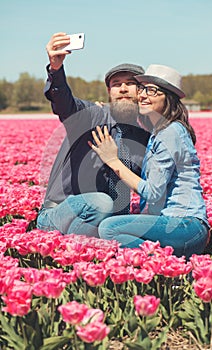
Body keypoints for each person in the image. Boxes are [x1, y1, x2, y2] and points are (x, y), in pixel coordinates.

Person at [90, 64, 210, 258]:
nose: (144, 95)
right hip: (176, 225)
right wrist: (106, 110)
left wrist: (113, 160)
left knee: (110, 228)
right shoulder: (159, 132)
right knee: (116, 224)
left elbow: (153, 192)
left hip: (184, 224)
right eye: (143, 89)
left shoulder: (170, 132)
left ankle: (168, 266)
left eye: (153, 90)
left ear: (169, 98)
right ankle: (170, 263)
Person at [37, 32, 150, 237]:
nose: (123, 88)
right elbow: (64, 102)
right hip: (58, 213)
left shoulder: (142, 139)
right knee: (102, 202)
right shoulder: (90, 117)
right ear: (109, 92)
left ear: (141, 91)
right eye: (116, 84)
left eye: (130, 83)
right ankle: (73, 248)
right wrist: (56, 68)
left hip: (105, 220)